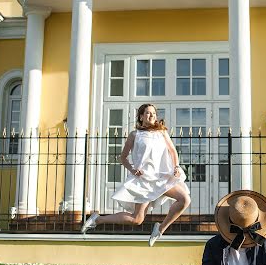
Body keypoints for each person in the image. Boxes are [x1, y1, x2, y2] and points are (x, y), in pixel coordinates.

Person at [81, 104, 191, 246]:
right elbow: (123, 157)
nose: (151, 116)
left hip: (162, 177)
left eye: (153, 113)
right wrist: (132, 170)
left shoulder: (162, 133)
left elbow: (173, 151)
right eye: (148, 113)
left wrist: (176, 166)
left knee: (184, 200)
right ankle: (98, 219)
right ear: (141, 116)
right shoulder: (135, 135)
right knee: (137, 219)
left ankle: (160, 229)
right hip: (144, 180)